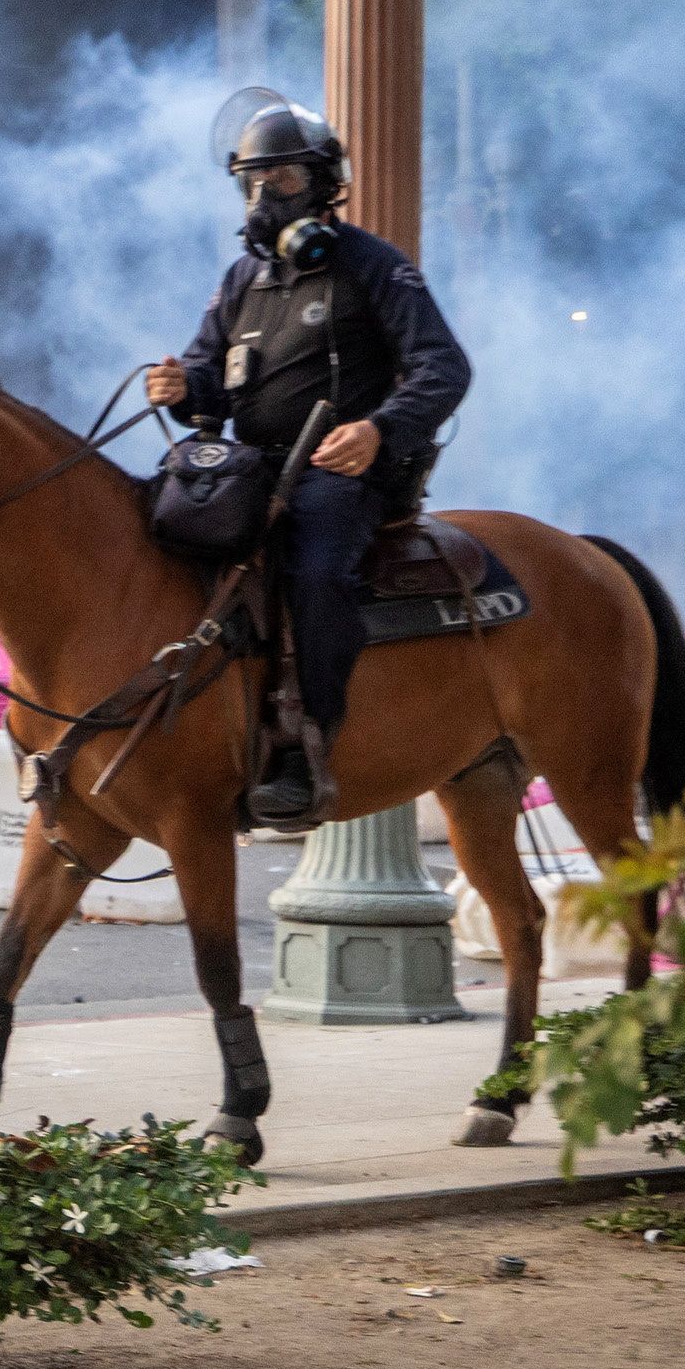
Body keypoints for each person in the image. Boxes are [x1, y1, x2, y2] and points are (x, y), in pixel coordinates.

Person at [142, 92, 474, 831]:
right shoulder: (240, 281)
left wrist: (378, 432)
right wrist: (178, 387)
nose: (265, 199)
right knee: (160, 528)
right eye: (252, 183)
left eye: (283, 180)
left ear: (325, 182)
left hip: (342, 472)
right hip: (252, 468)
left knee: (317, 570)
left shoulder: (373, 266)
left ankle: (307, 742)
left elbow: (444, 368)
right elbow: (207, 388)